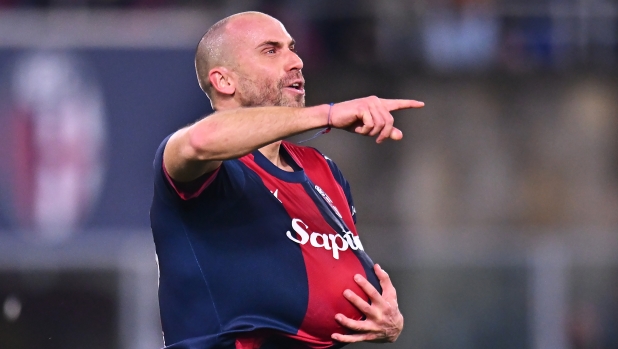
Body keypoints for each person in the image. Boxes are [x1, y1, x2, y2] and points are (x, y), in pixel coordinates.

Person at [150, 11, 424, 349]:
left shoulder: (323, 170)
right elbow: (199, 141)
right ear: (224, 81)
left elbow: (338, 280)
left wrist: (388, 320)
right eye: (271, 50)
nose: (295, 61)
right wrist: (326, 114)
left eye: (292, 48)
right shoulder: (206, 167)